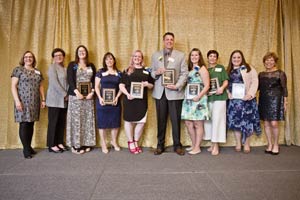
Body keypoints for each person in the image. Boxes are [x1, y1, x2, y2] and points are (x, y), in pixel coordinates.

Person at [151, 32, 188, 155]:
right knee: (161, 120)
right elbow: (151, 72)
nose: (169, 41)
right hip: (160, 93)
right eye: (167, 39)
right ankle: (160, 145)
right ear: (163, 41)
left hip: (175, 93)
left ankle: (177, 145)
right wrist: (156, 72)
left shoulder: (181, 55)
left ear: (173, 41)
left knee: (175, 120)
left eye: (171, 39)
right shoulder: (156, 55)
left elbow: (184, 73)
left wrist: (177, 86)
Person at [11, 51, 46, 159]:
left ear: (33, 59)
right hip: (23, 101)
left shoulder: (37, 71)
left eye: (30, 57)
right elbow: (13, 86)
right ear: (23, 59)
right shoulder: (18, 70)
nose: (28, 58)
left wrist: (43, 99)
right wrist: (17, 101)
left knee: (31, 124)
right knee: (24, 124)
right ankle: (26, 149)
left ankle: (29, 146)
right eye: (26, 57)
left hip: (34, 101)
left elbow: (41, 86)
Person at [119, 50, 154, 154]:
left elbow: (152, 86)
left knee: (141, 122)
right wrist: (127, 94)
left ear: (142, 58)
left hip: (141, 101)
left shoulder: (147, 71)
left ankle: (136, 142)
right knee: (129, 121)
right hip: (129, 99)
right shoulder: (127, 70)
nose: (137, 58)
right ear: (132, 57)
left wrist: (147, 84)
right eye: (135, 56)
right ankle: (130, 142)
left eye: (139, 56)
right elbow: (121, 85)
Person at [226, 50, 261, 153]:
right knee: (236, 122)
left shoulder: (249, 68)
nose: (236, 59)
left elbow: (255, 81)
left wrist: (250, 94)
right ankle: (238, 143)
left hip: (247, 100)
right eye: (234, 58)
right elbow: (224, 84)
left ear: (242, 58)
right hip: (234, 101)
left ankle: (246, 144)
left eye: (238, 57)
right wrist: (228, 93)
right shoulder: (228, 70)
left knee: (247, 122)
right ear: (231, 59)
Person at [66, 45, 96, 154]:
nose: (82, 52)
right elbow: (70, 79)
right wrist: (76, 92)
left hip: (88, 97)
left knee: (87, 120)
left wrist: (92, 92)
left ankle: (86, 143)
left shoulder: (91, 65)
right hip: (75, 97)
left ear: (86, 53)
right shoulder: (72, 65)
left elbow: (94, 80)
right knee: (76, 120)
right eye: (80, 51)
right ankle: (75, 145)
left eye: (83, 51)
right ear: (77, 53)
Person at [181, 48, 210, 155]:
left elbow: (207, 86)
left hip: (199, 99)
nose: (194, 57)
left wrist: (199, 96)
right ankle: (193, 144)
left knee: (198, 124)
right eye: (192, 55)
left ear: (199, 57)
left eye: (196, 55)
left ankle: (197, 147)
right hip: (189, 100)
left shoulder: (202, 69)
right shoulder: (189, 69)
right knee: (188, 123)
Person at [258, 52, 288, 155]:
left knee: (274, 123)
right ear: (264, 62)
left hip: (276, 100)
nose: (269, 62)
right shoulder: (261, 74)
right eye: (267, 60)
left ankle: (276, 144)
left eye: (271, 60)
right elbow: (256, 88)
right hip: (264, 99)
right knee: (266, 123)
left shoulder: (280, 73)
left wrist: (285, 102)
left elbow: (284, 88)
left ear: (275, 61)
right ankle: (269, 144)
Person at [95, 52, 122, 154]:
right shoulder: (100, 72)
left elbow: (121, 87)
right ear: (104, 61)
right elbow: (96, 86)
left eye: (111, 59)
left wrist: (117, 97)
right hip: (102, 102)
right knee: (102, 123)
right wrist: (100, 97)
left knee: (115, 123)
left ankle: (114, 141)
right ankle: (103, 143)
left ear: (114, 60)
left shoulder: (119, 73)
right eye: (107, 59)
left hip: (115, 102)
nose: (109, 61)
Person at [203, 50, 229, 156]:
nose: (212, 58)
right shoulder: (205, 70)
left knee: (218, 120)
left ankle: (216, 145)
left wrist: (222, 88)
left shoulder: (221, 68)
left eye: (214, 56)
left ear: (217, 58)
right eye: (210, 56)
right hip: (208, 98)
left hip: (219, 97)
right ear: (207, 58)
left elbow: (226, 80)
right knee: (209, 121)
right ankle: (211, 143)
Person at [46, 48, 69, 153]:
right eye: (56, 56)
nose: (58, 57)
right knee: (53, 122)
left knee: (61, 122)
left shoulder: (65, 68)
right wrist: (65, 94)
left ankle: (59, 142)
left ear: (63, 57)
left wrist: (68, 95)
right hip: (54, 100)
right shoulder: (52, 67)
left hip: (64, 100)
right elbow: (54, 83)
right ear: (53, 58)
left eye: (60, 55)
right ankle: (51, 144)